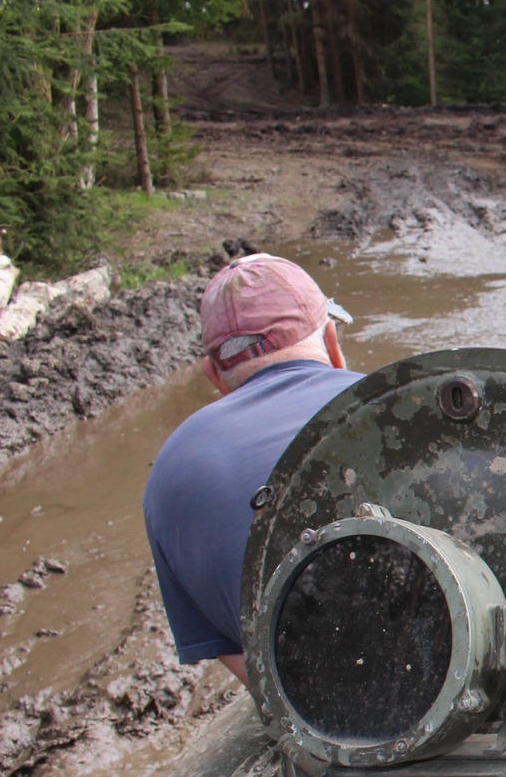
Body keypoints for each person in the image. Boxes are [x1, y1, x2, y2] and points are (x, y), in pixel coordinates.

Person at [144, 254, 361, 686]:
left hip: (330, 725)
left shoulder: (167, 475)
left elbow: (249, 667)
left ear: (214, 376)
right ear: (332, 342)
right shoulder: (398, 399)